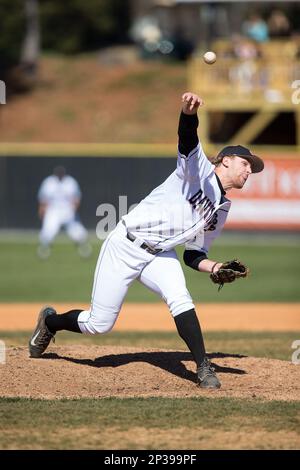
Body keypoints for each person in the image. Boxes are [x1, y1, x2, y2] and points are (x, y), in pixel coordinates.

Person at [29, 92, 264, 389]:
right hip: (125, 245)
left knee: (180, 297)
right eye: (246, 163)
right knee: (97, 325)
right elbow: (187, 138)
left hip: (159, 255)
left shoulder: (222, 209)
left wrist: (214, 267)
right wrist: (188, 113)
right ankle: (50, 322)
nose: (249, 170)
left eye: (252, 168)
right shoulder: (197, 170)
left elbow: (193, 254)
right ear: (226, 161)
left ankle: (204, 368)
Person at [37, 166, 91, 259]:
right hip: (53, 211)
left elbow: (76, 198)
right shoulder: (49, 182)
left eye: (61, 174)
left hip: (67, 210)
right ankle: (44, 250)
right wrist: (42, 210)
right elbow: (43, 199)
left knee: (77, 232)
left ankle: (84, 249)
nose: (60, 175)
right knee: (48, 231)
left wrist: (74, 210)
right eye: (58, 174)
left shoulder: (70, 182)